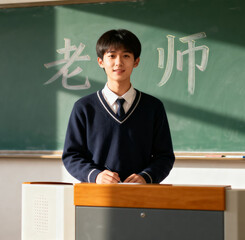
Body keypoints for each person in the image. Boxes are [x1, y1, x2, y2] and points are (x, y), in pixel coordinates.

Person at [62, 29, 174, 184]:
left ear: (136, 61)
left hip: (141, 195)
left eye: (126, 56)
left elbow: (165, 156)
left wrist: (145, 177)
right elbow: (71, 155)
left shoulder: (153, 107)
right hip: (97, 195)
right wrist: (96, 176)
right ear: (101, 61)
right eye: (112, 56)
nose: (119, 62)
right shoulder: (84, 107)